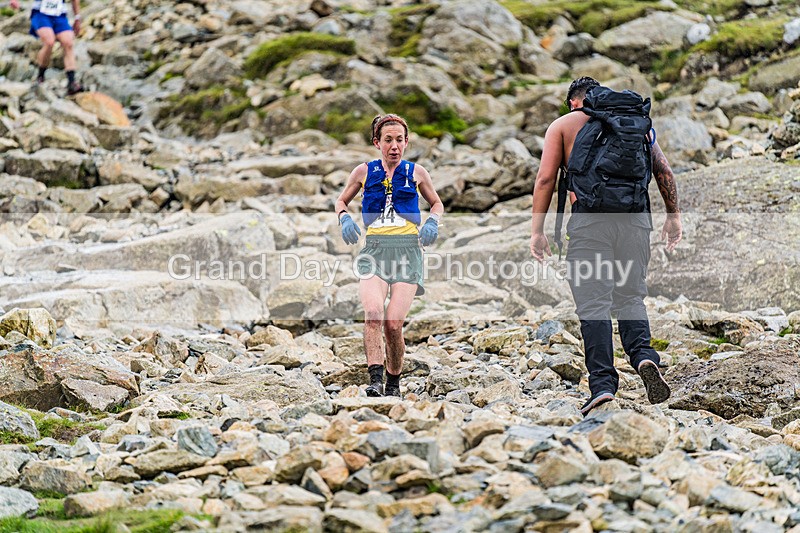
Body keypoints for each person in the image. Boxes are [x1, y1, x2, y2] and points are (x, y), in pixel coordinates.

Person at [530, 77, 683, 416]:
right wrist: (673, 216)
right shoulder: (634, 122)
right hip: (635, 222)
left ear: (575, 102)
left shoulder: (564, 125)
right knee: (630, 296)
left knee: (593, 304)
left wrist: (537, 231)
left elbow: (545, 179)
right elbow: (663, 171)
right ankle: (643, 356)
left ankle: (602, 386)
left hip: (590, 225)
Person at [335, 114, 444, 397]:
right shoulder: (363, 172)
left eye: (399, 140)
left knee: (393, 324)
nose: (394, 146)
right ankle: (375, 380)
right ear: (377, 143)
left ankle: (394, 383)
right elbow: (341, 200)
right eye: (387, 140)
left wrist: (432, 222)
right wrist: (344, 218)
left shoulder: (417, 172)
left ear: (406, 142)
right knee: (373, 314)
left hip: (408, 251)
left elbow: (436, 203)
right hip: (374, 250)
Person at [9, 0, 84, 95]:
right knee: (49, 42)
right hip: (40, 14)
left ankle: (72, 82)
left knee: (68, 43)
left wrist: (77, 17)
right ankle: (40, 75)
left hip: (59, 14)